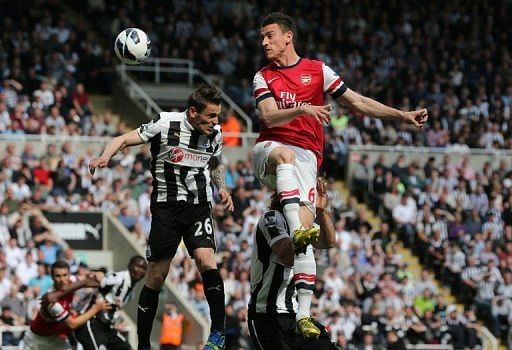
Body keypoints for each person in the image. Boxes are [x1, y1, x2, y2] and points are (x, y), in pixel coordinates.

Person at [252, 12, 428, 337]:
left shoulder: (318, 71)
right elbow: (269, 116)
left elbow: (357, 102)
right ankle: (295, 229)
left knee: (305, 240)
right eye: (262, 37)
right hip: (270, 149)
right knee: (285, 156)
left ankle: (304, 314)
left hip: (306, 161)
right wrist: (303, 108)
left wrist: (401, 116)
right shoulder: (263, 76)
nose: (264, 42)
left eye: (270, 35)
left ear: (288, 36)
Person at [89, 85, 234, 350]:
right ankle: (144, 344)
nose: (215, 122)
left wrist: (221, 187)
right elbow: (122, 139)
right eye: (211, 116)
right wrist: (105, 156)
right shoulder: (166, 124)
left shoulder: (215, 133)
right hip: (166, 210)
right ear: (192, 112)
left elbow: (215, 162)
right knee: (156, 276)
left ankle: (217, 334)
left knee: (206, 260)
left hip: (199, 206)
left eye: (217, 116)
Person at [248, 178, 337, 349]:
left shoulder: (304, 226)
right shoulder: (272, 218)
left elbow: (329, 241)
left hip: (296, 314)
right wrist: (304, 234)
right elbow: (286, 255)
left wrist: (321, 212)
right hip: (267, 315)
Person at [20, 260, 110, 350]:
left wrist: (98, 274)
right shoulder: (52, 302)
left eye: (65, 275)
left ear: (69, 274)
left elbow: (89, 279)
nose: (62, 280)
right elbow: (73, 324)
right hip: (36, 340)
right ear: (52, 277)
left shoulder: (71, 283)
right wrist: (96, 308)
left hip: (55, 338)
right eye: (58, 276)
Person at [74, 255, 148, 350]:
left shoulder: (130, 293)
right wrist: (65, 290)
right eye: (137, 266)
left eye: (144, 268)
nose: (140, 271)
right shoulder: (118, 279)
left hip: (106, 327)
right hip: (91, 322)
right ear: (129, 266)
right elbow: (91, 283)